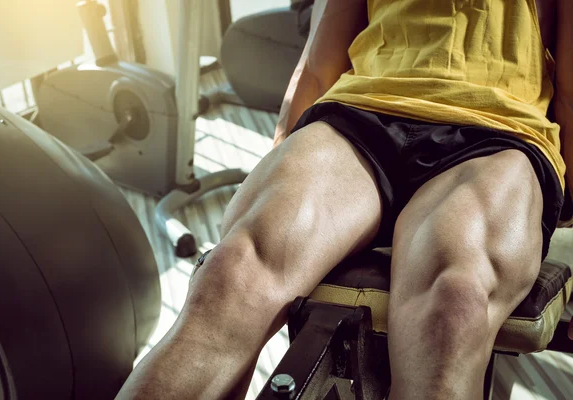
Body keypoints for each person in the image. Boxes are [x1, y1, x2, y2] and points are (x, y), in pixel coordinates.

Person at [118, 0, 573, 398]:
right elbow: (319, 63)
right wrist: (276, 168)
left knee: (452, 306)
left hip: (500, 128)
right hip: (361, 113)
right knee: (231, 273)